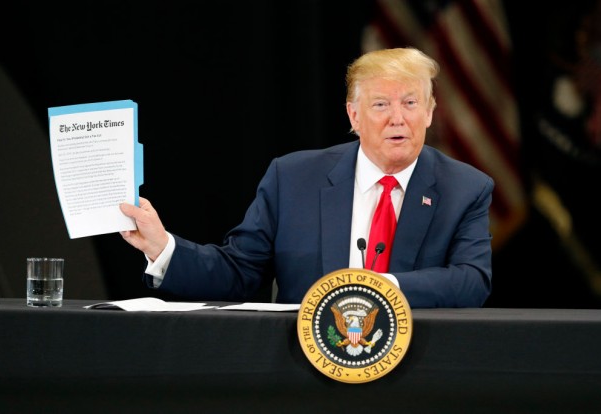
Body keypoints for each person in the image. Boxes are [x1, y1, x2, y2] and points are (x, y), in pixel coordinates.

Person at [119, 47, 494, 308]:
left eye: (411, 103)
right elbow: (240, 272)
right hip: (304, 370)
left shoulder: (465, 188)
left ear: (429, 113)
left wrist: (382, 287)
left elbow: (472, 281)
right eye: (380, 104)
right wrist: (162, 247)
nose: (398, 118)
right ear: (354, 116)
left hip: (413, 369)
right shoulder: (293, 178)